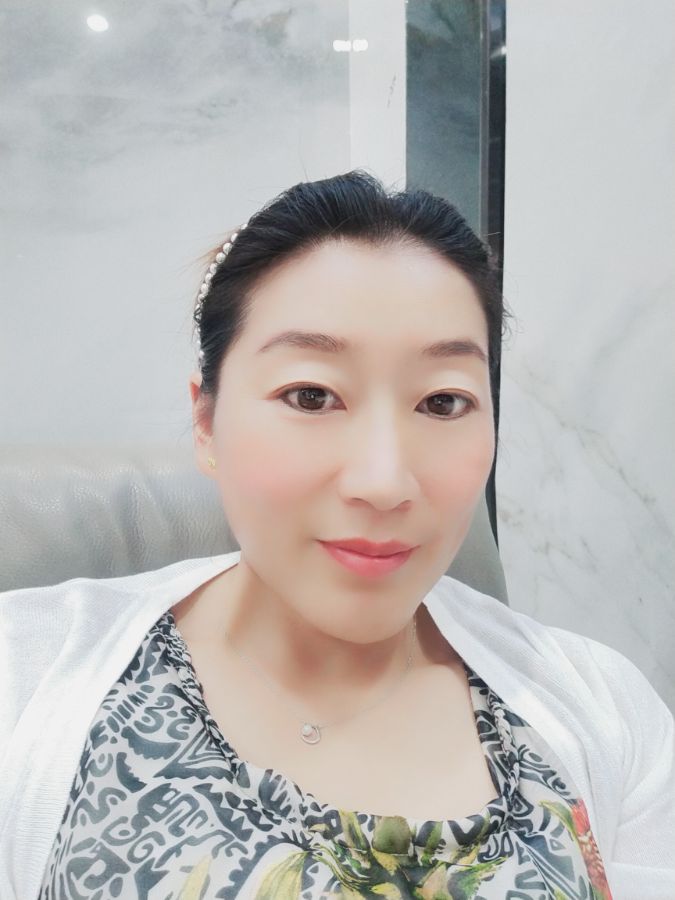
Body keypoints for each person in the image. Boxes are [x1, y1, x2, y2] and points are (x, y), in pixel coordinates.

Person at [1, 170, 673, 899]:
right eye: (311, 395)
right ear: (206, 422)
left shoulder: (604, 709)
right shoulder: (25, 678)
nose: (384, 482)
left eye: (443, 402)